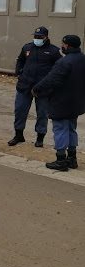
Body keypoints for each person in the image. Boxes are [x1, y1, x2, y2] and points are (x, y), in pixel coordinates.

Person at [32, 35, 85, 172]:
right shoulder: (82, 58)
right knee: (71, 129)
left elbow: (51, 79)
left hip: (62, 101)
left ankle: (61, 159)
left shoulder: (64, 62)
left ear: (66, 45)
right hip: (77, 101)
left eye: (63, 43)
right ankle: (72, 159)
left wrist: (37, 89)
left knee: (60, 129)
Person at [8, 26, 61, 147]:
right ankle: (18, 135)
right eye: (35, 37)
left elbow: (58, 67)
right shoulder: (27, 47)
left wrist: (51, 82)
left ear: (46, 37)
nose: (37, 39)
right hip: (25, 85)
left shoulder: (53, 51)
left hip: (43, 88)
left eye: (39, 37)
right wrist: (19, 73)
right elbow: (20, 60)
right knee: (20, 110)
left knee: (42, 113)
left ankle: (40, 137)